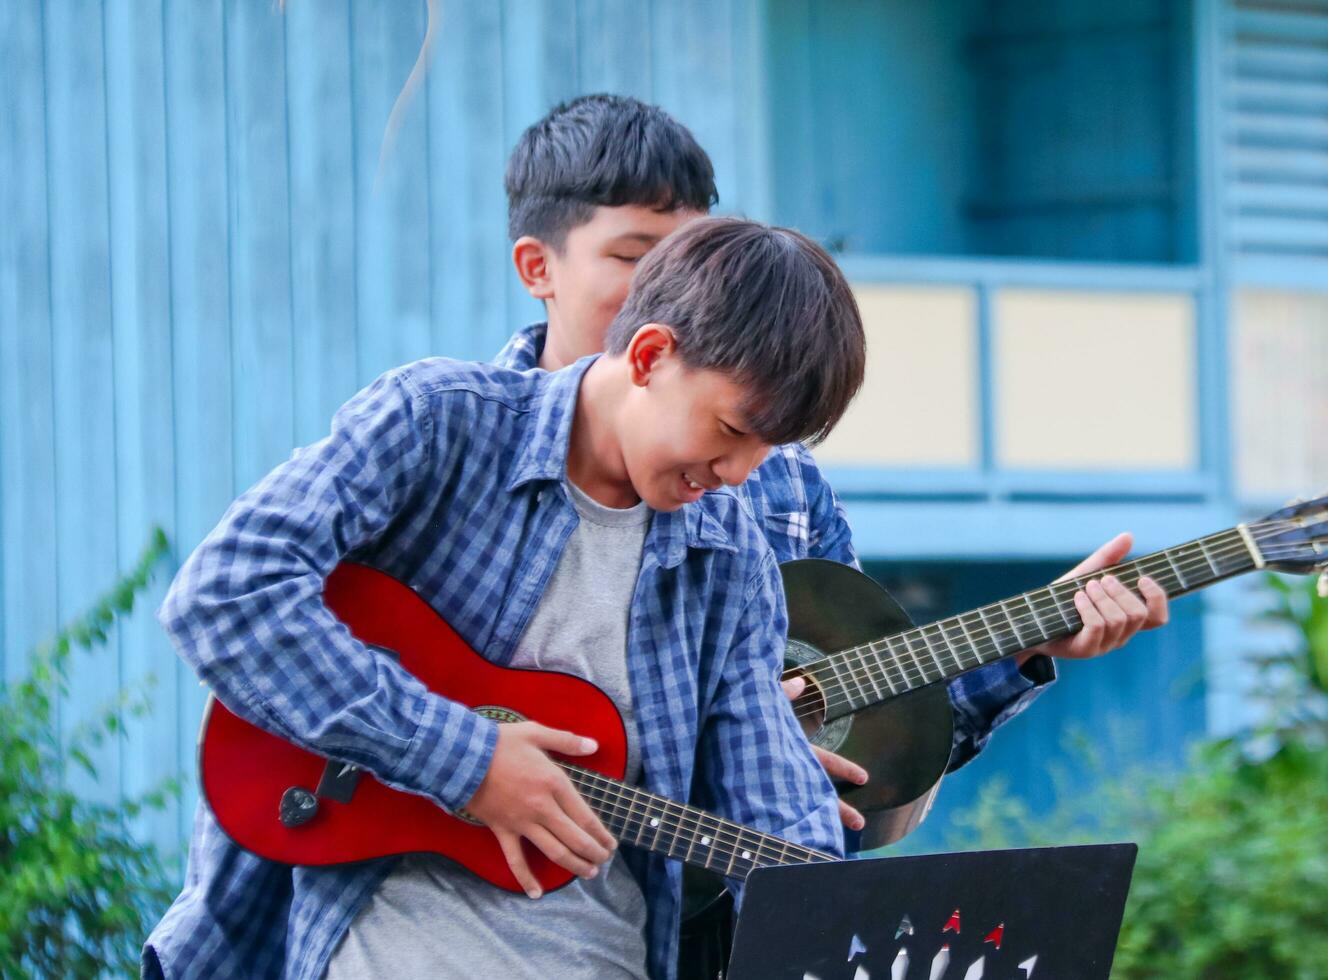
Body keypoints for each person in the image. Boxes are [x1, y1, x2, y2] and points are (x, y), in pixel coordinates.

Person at [144, 217, 865, 980]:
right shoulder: (440, 423)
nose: (740, 473)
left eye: (768, 449)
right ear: (652, 356)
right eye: (731, 430)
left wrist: (842, 927)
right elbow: (225, 592)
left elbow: (780, 804)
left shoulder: (731, 558)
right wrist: (466, 761)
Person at [496, 95, 1170, 832]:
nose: (675, 286)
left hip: (719, 917)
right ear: (539, 267)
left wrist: (1025, 643)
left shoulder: (783, 479)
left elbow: (868, 725)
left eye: (693, 255)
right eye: (635, 257)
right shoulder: (464, 448)